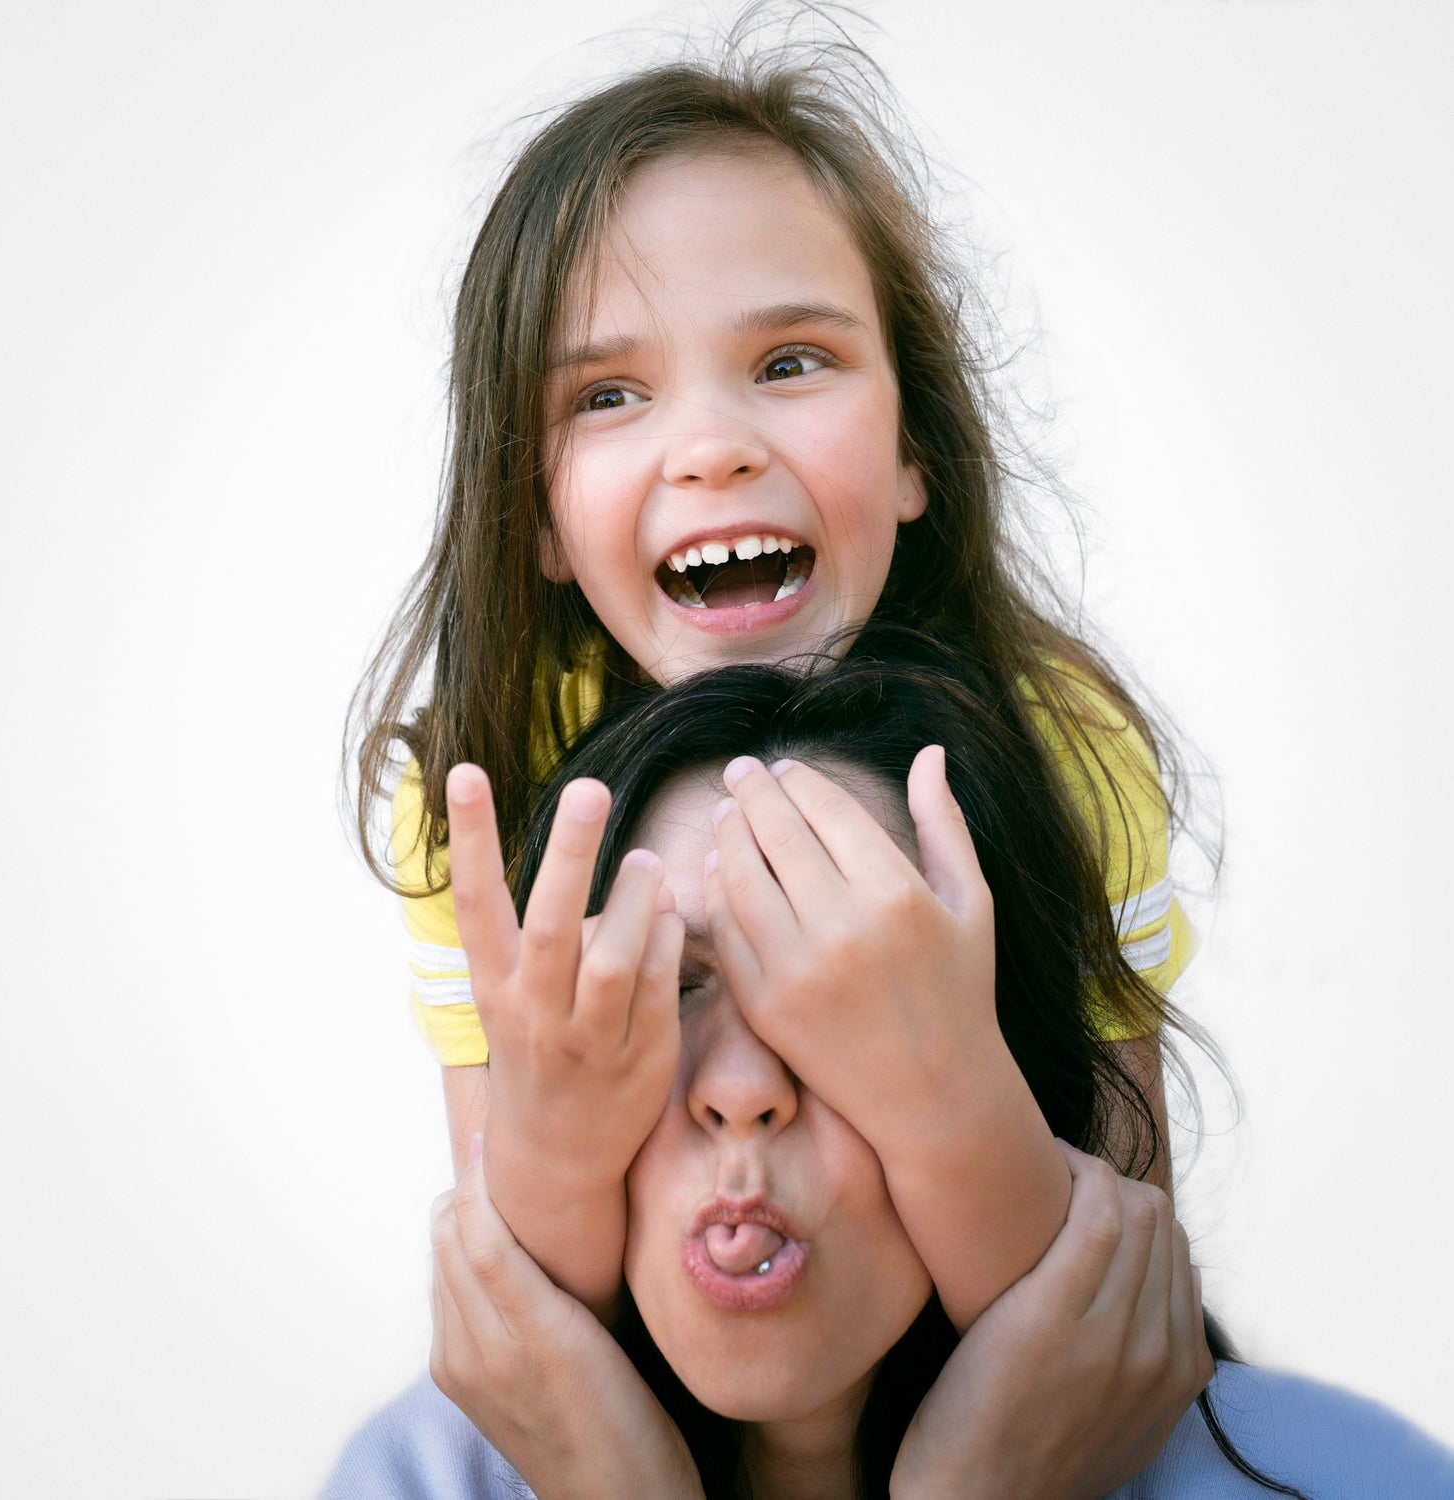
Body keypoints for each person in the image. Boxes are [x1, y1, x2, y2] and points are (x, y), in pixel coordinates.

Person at [349, 19, 1191, 1354]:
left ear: (916, 449)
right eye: (610, 394)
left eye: (790, 364)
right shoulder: (488, 780)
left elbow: (1124, 1308)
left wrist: (943, 1087)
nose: (713, 448)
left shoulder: (1063, 752)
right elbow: (527, 1336)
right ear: (542, 524)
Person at [323, 650, 1454, 1497]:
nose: (744, 1087)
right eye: (664, 986)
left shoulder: (1351, 1478)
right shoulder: (413, 1481)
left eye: (846, 994)